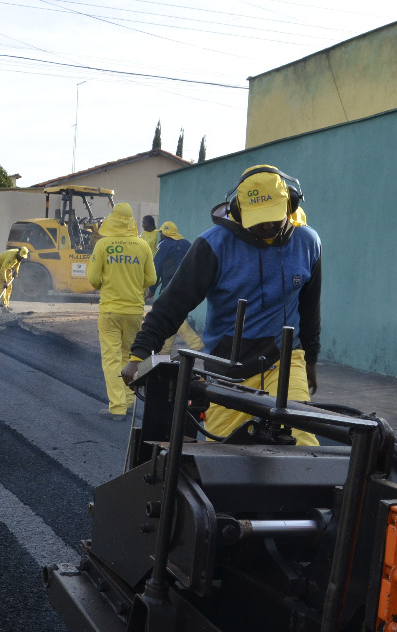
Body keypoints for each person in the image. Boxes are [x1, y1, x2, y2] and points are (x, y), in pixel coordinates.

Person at [123, 165, 322, 445]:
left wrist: (310, 359)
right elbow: (173, 304)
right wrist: (139, 353)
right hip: (227, 368)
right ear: (239, 211)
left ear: (290, 204)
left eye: (273, 218)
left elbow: (310, 307)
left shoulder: (307, 243)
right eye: (258, 219)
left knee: (299, 445)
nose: (266, 226)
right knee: (222, 456)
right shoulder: (213, 246)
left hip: (284, 361)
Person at [88, 203, 156, 420]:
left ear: (113, 219)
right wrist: (135, 284)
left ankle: (117, 407)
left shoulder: (103, 245)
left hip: (110, 311)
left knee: (111, 358)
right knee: (130, 356)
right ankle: (128, 401)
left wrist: (105, 284)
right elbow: (151, 279)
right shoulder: (142, 245)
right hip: (135, 311)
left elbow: (92, 279)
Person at [151, 221, 204, 355]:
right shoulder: (186, 244)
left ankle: (197, 345)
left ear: (163, 233)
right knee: (170, 317)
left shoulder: (163, 245)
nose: (160, 235)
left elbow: (155, 267)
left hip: (171, 287)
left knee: (174, 318)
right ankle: (164, 351)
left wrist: (151, 289)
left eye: (161, 233)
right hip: (189, 287)